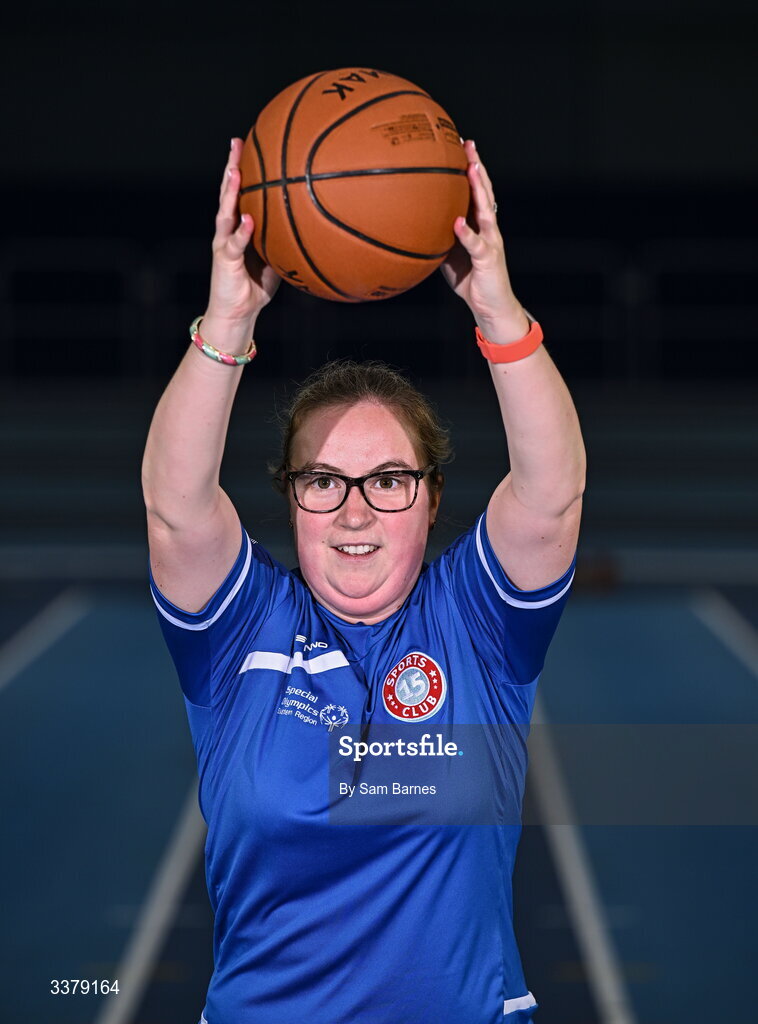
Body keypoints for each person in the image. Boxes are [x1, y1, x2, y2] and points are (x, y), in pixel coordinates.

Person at [142, 136, 585, 1024]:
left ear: (430, 502)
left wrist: (495, 306)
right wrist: (226, 324)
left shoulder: (477, 625)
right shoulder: (242, 636)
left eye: (389, 481)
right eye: (323, 482)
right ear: (291, 499)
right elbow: (178, 510)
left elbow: (550, 495)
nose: (354, 511)